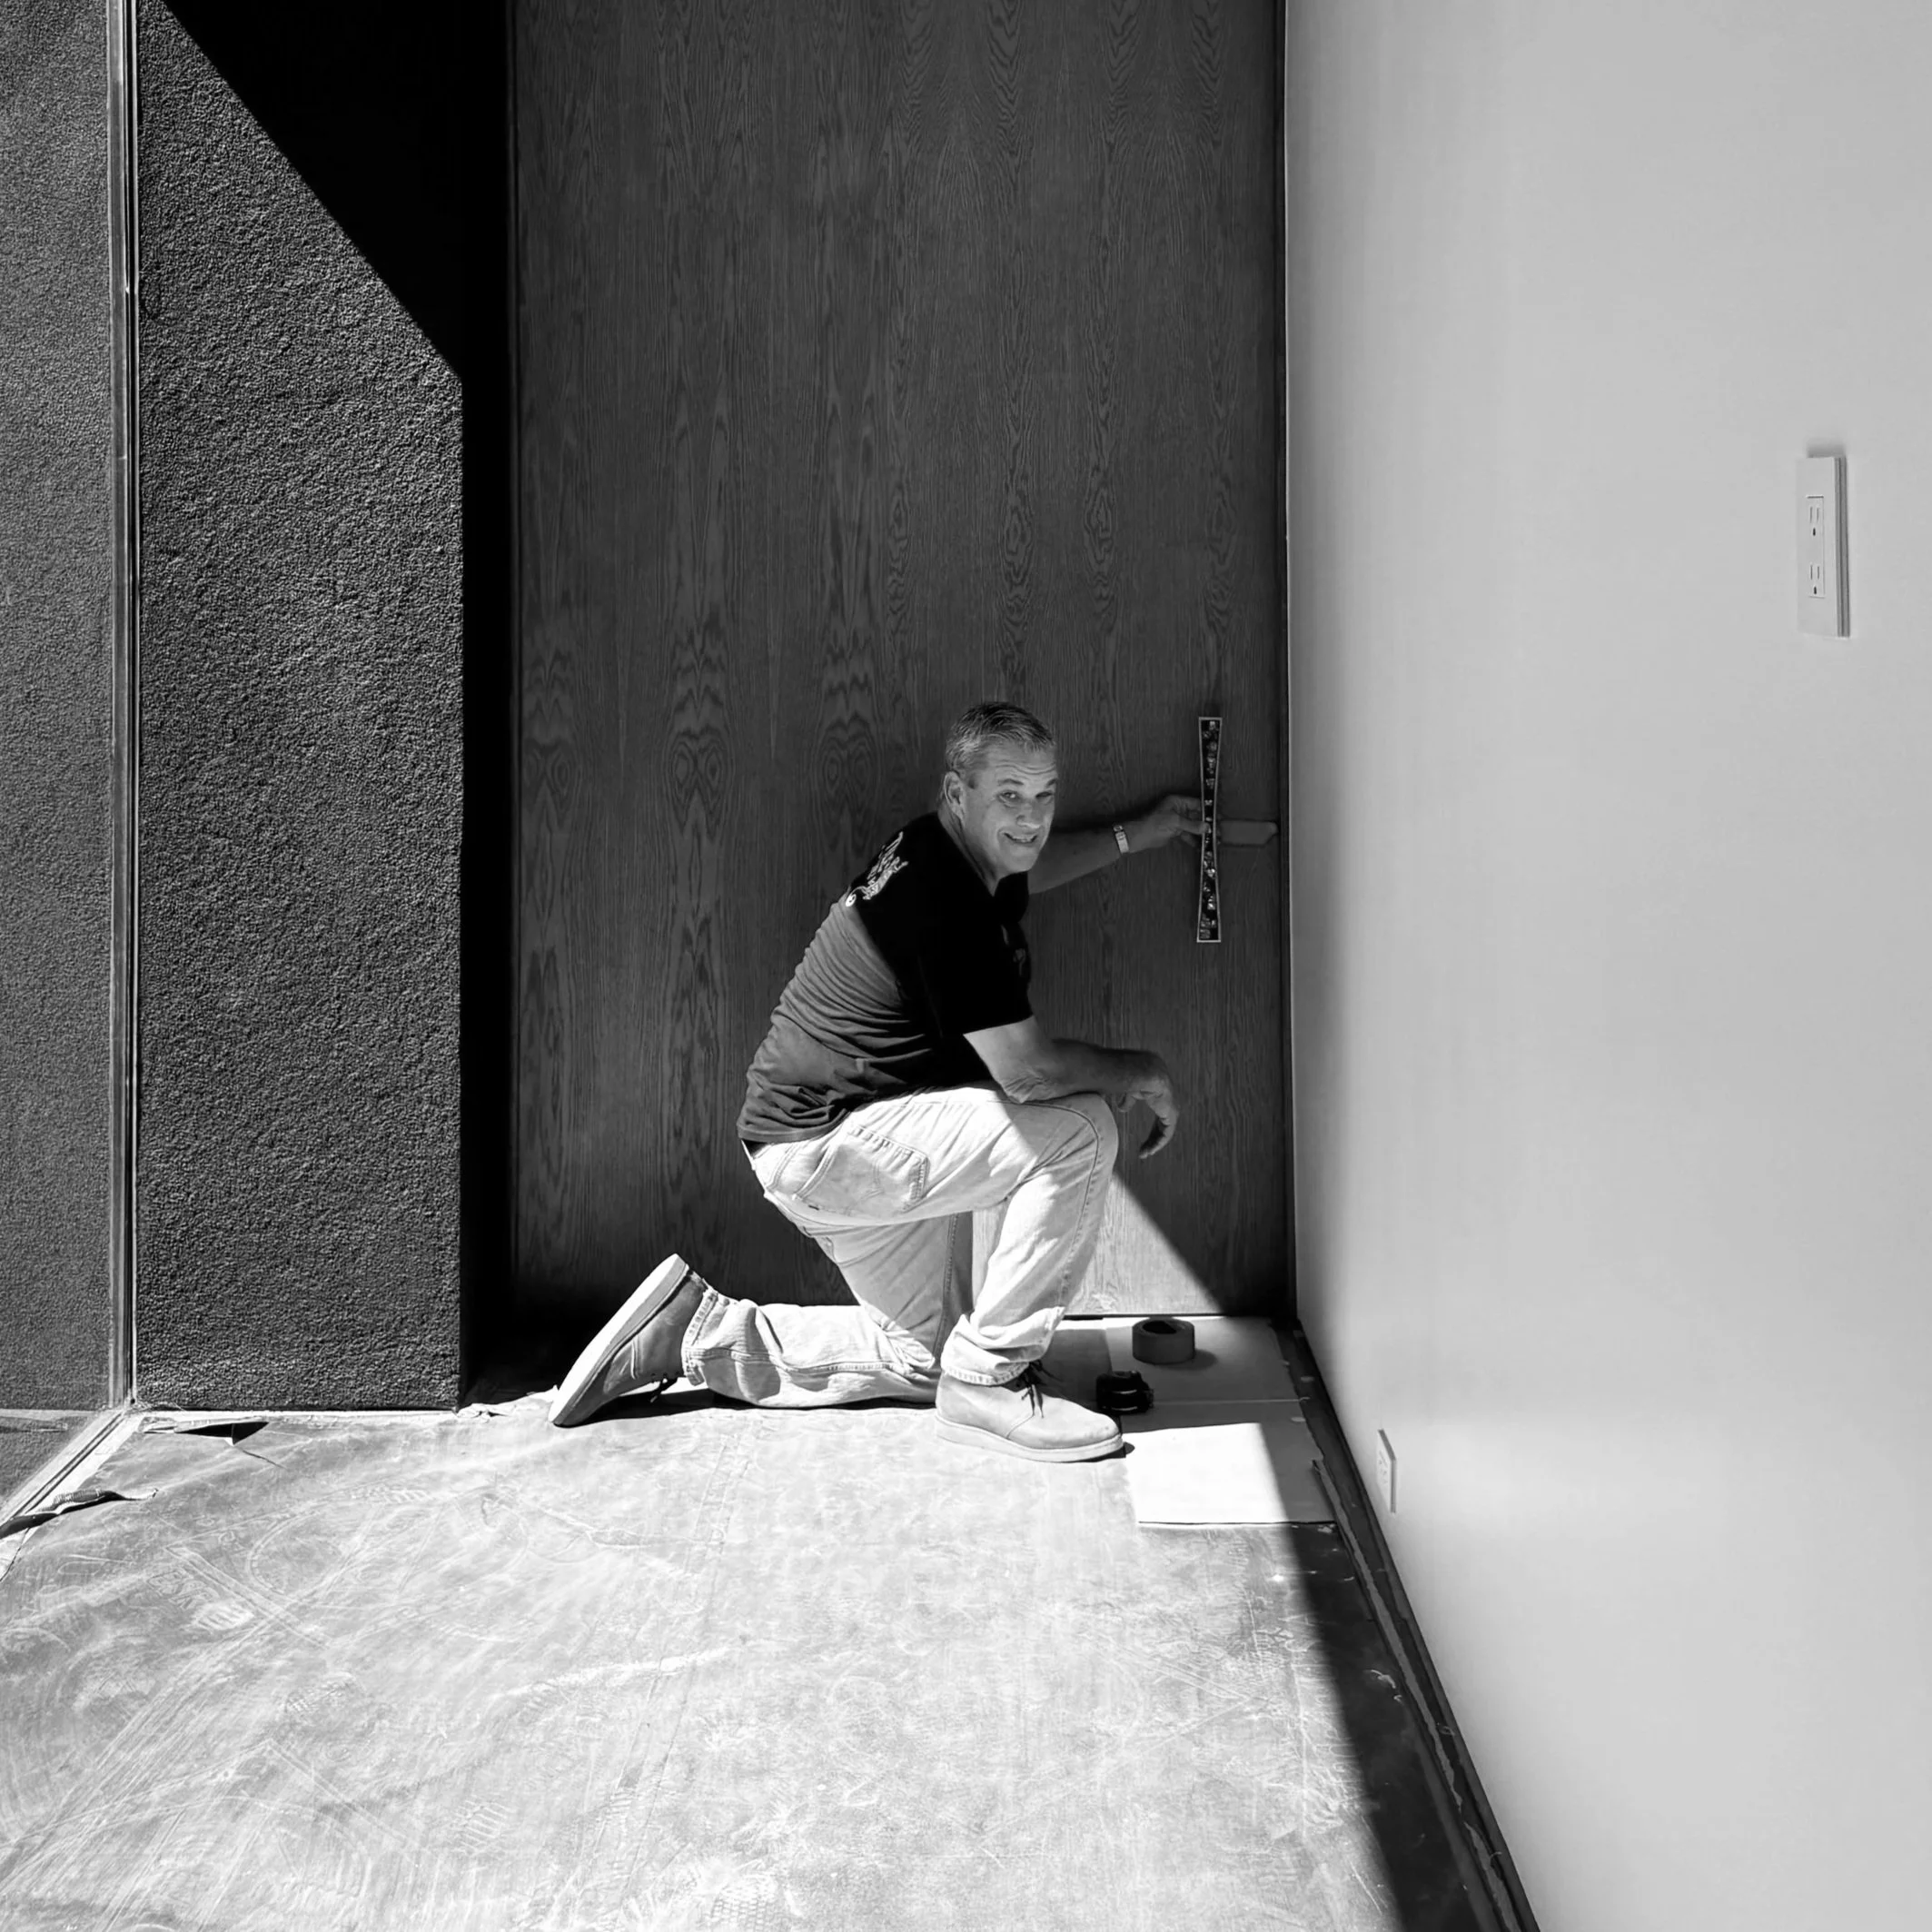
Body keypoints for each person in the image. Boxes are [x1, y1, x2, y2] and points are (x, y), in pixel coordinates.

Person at [549, 699, 1200, 1461]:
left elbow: (1031, 864)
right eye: (1010, 796)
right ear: (958, 793)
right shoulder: (948, 902)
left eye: (1045, 792)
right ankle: (990, 1381)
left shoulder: (945, 850)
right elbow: (1027, 1074)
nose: (1032, 818)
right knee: (1082, 1129)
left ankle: (690, 1332)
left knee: (922, 1359)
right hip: (830, 1143)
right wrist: (1146, 1073)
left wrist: (1132, 835)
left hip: (824, 1137)